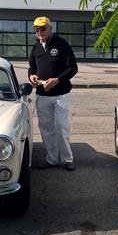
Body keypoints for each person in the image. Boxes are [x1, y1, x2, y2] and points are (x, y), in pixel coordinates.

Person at [28, 16, 78, 171]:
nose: (40, 32)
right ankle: (52, 159)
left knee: (62, 126)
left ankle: (67, 159)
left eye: (43, 29)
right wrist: (31, 76)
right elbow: (32, 67)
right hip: (42, 95)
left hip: (60, 94)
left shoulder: (61, 44)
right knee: (46, 128)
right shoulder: (36, 47)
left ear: (50, 28)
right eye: (37, 29)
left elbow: (73, 67)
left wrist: (57, 80)